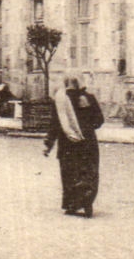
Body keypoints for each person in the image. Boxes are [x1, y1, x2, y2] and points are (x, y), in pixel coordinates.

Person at [43, 77, 105, 217]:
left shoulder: (60, 100)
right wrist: (88, 128)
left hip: (67, 142)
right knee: (88, 172)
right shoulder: (88, 98)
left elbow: (55, 124)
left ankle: (72, 205)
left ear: (65, 84)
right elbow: (99, 120)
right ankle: (87, 202)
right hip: (88, 142)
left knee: (70, 173)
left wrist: (48, 144)